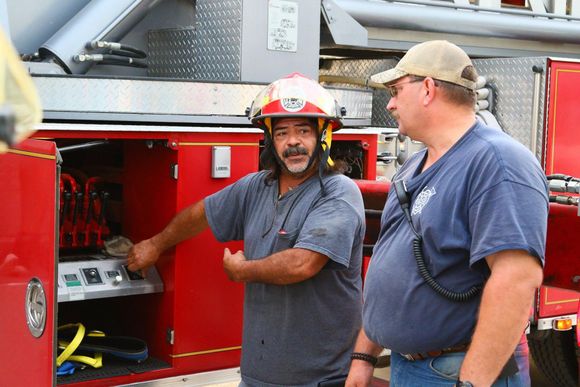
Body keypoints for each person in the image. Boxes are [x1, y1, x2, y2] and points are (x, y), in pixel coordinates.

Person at [127, 72, 366, 386]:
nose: (293, 141)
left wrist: (243, 270)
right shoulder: (257, 187)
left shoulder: (337, 193)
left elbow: (303, 263)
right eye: (281, 133)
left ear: (324, 135)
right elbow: (202, 213)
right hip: (258, 376)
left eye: (303, 131)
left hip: (320, 378)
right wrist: (156, 244)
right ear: (270, 140)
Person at [346, 40, 548, 387]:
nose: (390, 104)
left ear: (427, 89)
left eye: (396, 90)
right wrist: (365, 357)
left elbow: (516, 279)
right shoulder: (412, 166)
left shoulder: (498, 162)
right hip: (414, 367)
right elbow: (393, 265)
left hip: (455, 372)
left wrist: (470, 382)